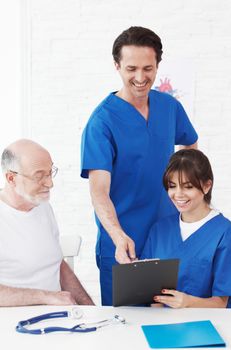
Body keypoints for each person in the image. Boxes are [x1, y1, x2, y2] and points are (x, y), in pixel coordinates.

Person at [81, 26, 198, 305]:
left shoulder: (169, 107)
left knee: (171, 320)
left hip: (169, 236)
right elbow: (99, 192)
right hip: (124, 245)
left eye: (148, 68)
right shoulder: (102, 122)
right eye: (131, 68)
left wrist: (187, 195)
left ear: (157, 65)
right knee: (125, 326)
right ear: (117, 66)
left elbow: (190, 148)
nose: (140, 77)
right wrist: (118, 235)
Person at [0, 139, 94, 307]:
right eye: (39, 176)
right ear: (11, 178)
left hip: (54, 316)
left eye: (50, 172)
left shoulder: (42, 206)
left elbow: (57, 264)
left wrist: (90, 308)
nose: (50, 183)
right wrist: (47, 297)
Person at [141, 149, 231, 308]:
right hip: (159, 326)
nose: (178, 194)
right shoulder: (159, 230)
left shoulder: (225, 232)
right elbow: (150, 296)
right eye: (172, 186)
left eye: (187, 187)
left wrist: (188, 302)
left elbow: (221, 303)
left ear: (206, 186)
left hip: (206, 326)